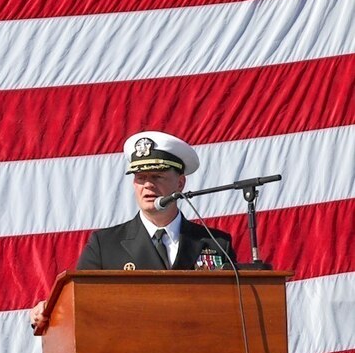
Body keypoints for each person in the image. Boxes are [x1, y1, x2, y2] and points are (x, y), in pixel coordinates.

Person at [30, 131, 237, 329]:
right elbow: (76, 305)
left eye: (157, 176)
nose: (147, 185)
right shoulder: (105, 245)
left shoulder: (215, 243)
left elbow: (235, 311)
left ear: (180, 183)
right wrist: (48, 310)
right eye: (140, 177)